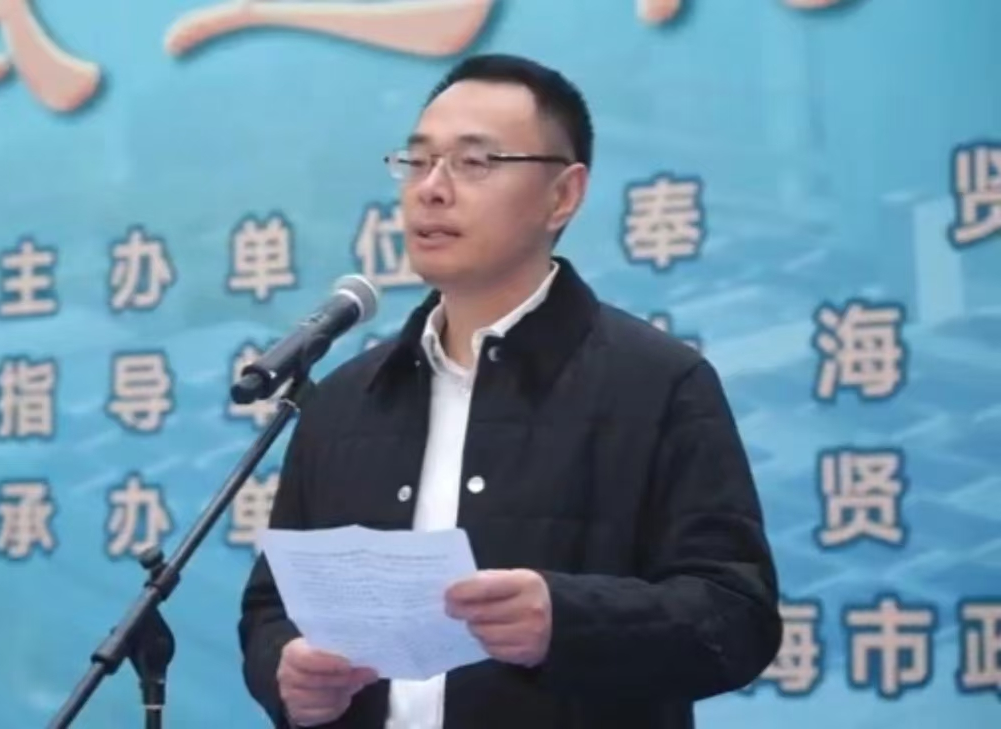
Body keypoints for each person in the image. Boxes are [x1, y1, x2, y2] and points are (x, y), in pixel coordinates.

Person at [237, 53, 782, 729]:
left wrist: (567, 620)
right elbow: (273, 606)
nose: (432, 189)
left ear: (563, 195)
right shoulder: (347, 399)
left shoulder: (659, 384)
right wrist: (286, 670)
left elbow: (737, 614)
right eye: (417, 161)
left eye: (474, 162)